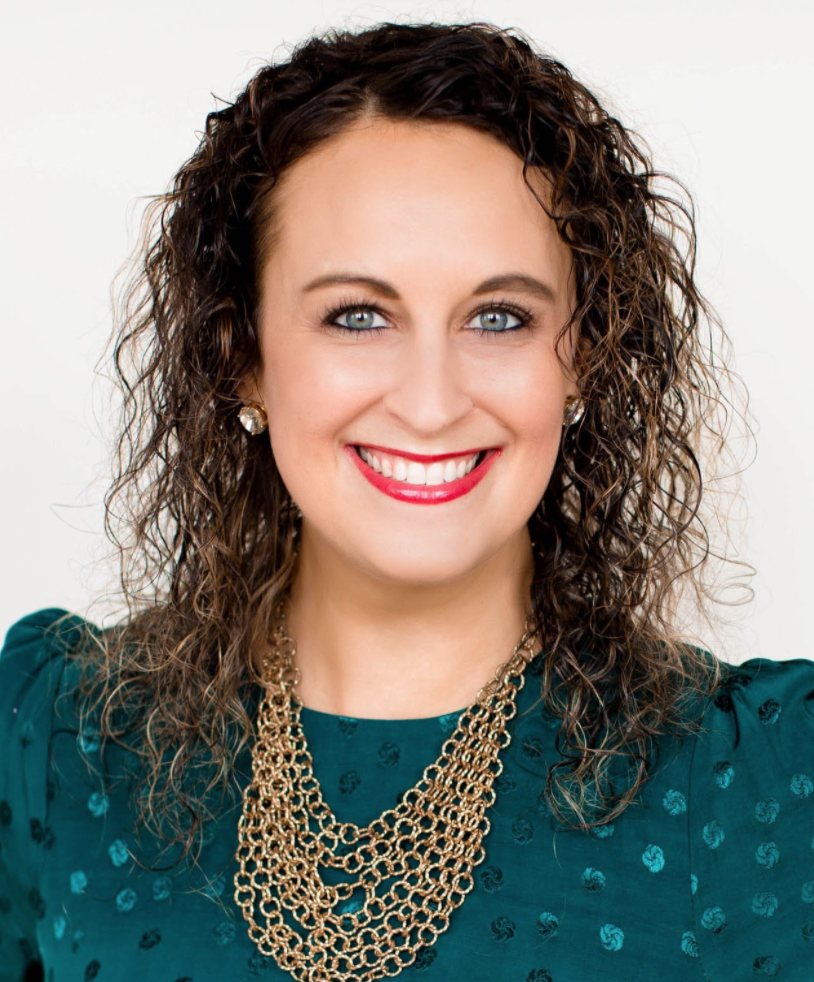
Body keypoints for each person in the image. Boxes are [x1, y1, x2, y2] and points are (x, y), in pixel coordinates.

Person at [1, 19, 812, 982]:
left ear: (583, 358)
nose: (430, 404)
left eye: (499, 318)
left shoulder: (755, 780)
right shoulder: (59, 735)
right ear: (243, 359)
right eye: (358, 316)